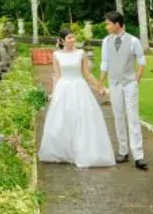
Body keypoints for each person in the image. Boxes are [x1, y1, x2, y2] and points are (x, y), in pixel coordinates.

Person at [37, 28, 115, 168]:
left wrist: (100, 87)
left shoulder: (81, 53)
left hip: (79, 87)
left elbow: (87, 74)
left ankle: (82, 152)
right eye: (69, 38)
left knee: (81, 119)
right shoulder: (56, 55)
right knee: (63, 119)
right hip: (63, 89)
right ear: (62, 41)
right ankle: (65, 152)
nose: (72, 40)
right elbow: (57, 76)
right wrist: (54, 94)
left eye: (73, 37)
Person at [99, 11, 148, 170]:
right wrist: (100, 83)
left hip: (129, 84)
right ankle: (123, 151)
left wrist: (137, 79)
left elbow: (141, 60)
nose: (106, 27)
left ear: (117, 24)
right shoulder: (106, 41)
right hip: (114, 84)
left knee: (133, 118)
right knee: (118, 116)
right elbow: (104, 63)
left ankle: (138, 156)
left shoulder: (133, 40)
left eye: (108, 24)